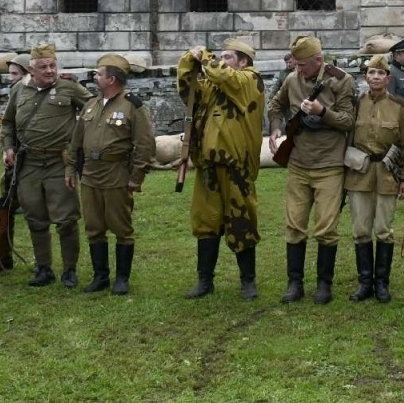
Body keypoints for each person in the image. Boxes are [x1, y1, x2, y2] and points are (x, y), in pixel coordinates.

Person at [268, 35, 356, 304]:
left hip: (329, 164)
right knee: (294, 225)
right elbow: (276, 105)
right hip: (298, 164)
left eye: (303, 65)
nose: (298, 69)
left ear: (319, 60)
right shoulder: (291, 79)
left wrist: (321, 111)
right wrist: (274, 127)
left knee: (326, 227)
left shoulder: (341, 80)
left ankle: (324, 285)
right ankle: (294, 283)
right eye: (295, 64)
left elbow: (348, 121)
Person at [177, 38, 266, 300]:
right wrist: (188, 61)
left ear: (244, 62)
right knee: (206, 222)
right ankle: (205, 280)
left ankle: (248, 282)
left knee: (242, 221)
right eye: (222, 57)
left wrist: (205, 56)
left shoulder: (250, 80)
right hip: (208, 166)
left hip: (236, 167)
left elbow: (229, 78)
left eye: (228, 57)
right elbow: (187, 90)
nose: (221, 60)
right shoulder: (215, 84)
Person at [2, 43, 92, 288]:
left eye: (53, 65)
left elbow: (94, 111)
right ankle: (43, 269)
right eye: (43, 67)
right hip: (29, 163)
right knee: (35, 217)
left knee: (66, 220)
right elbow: (8, 123)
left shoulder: (69, 86)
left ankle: (69, 271)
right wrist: (8, 147)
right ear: (31, 69)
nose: (50, 71)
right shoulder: (18, 90)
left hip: (59, 162)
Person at [68, 54, 156, 294]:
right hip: (90, 175)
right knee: (94, 227)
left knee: (121, 228)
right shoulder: (91, 104)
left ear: (112, 79)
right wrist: (70, 167)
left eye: (99, 74)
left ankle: (122, 279)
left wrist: (137, 176)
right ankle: (100, 276)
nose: (95, 77)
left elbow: (145, 143)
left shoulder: (132, 105)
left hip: (116, 174)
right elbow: (75, 141)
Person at [344, 54, 404, 302]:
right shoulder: (355, 104)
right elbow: (347, 139)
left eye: (380, 73)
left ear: (388, 78)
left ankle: (382, 283)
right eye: (371, 73)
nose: (375, 77)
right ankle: (365, 283)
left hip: (387, 174)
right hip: (359, 173)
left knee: (384, 230)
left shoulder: (399, 106)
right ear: (365, 77)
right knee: (361, 229)